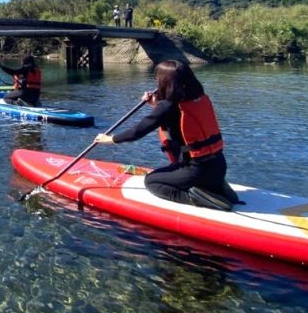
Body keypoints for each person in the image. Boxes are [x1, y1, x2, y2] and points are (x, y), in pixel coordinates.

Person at [92, 60, 234, 210]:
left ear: (165, 81)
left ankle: (197, 198)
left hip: (197, 172)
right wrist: (157, 104)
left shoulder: (167, 107)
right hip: (219, 167)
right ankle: (215, 187)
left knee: (152, 181)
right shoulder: (199, 97)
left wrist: (111, 139)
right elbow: (173, 114)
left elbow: (138, 131)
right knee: (175, 170)